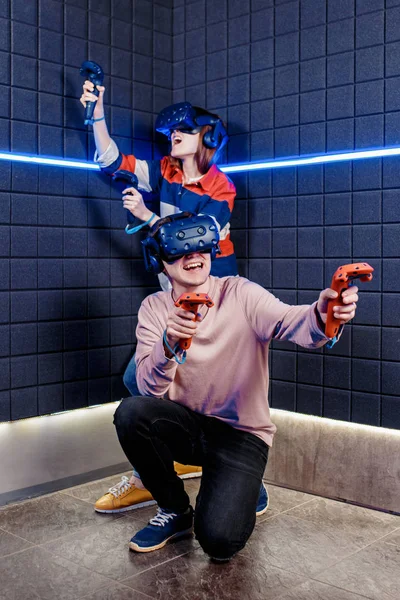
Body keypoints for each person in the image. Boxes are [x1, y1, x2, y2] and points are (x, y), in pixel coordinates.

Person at [113, 212, 359, 560]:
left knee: (219, 542)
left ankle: (243, 479)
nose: (193, 255)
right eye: (179, 250)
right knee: (131, 412)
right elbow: (148, 390)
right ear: (160, 262)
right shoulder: (153, 309)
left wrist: (323, 313)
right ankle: (175, 510)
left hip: (241, 433)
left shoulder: (240, 293)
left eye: (199, 246)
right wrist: (169, 344)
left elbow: (293, 322)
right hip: (188, 425)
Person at [79, 81, 270, 514]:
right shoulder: (165, 170)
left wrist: (147, 217)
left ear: (206, 136)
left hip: (214, 305)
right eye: (171, 133)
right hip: (172, 302)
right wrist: (98, 111)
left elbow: (192, 240)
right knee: (140, 382)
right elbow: (112, 161)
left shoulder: (221, 189)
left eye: (182, 130)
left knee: (208, 393)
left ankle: (242, 477)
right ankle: (167, 469)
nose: (174, 137)